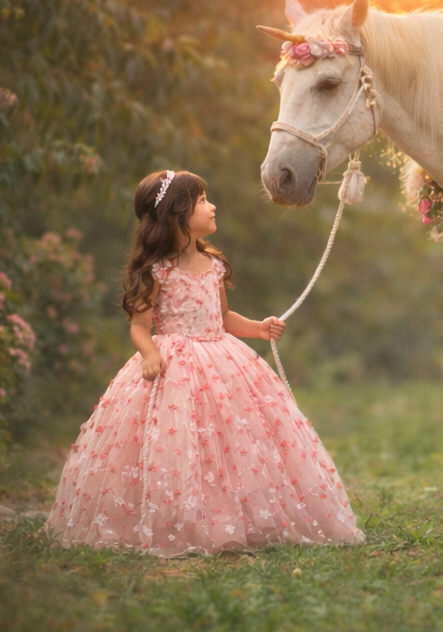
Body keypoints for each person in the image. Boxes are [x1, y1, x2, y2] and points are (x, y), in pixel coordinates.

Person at [45, 169, 363, 556]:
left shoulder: (213, 265)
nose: (212, 207)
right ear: (177, 214)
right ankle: (176, 518)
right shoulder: (158, 270)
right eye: (202, 201)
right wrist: (150, 354)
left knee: (232, 443)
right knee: (177, 442)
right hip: (174, 368)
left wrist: (258, 328)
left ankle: (232, 516)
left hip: (222, 360)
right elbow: (140, 326)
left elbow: (223, 317)